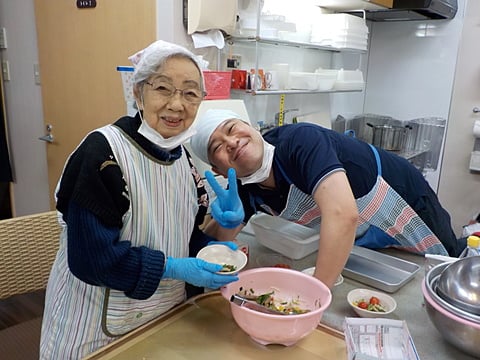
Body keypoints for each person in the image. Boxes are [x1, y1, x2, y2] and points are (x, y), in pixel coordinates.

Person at [40, 40, 240, 359]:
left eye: (190, 93)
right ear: (138, 93)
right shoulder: (103, 154)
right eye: (163, 88)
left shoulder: (185, 162)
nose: (177, 105)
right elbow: (91, 260)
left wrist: (212, 248)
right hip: (94, 330)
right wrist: (174, 267)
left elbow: (178, 239)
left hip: (162, 319)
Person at [189, 109, 464, 288]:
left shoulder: (300, 141)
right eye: (217, 147)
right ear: (217, 169)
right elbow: (219, 249)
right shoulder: (244, 186)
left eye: (232, 128)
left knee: (445, 271)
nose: (232, 142)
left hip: (406, 205)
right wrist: (225, 223)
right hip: (364, 234)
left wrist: (313, 296)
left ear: (250, 127)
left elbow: (343, 215)